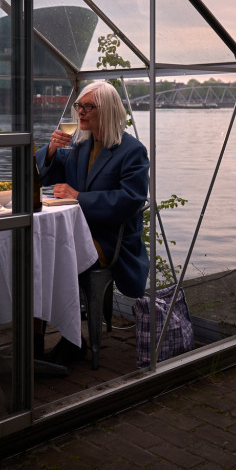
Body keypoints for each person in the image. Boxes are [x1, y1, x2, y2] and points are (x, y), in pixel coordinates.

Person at [37, 81, 149, 366]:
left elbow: (130, 199)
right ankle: (37, 340)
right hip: (78, 232)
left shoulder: (131, 150)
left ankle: (71, 341)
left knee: (58, 258)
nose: (81, 113)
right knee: (40, 255)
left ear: (108, 110)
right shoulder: (79, 146)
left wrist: (80, 197)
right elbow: (43, 172)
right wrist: (50, 150)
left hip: (111, 240)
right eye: (79, 106)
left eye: (89, 107)